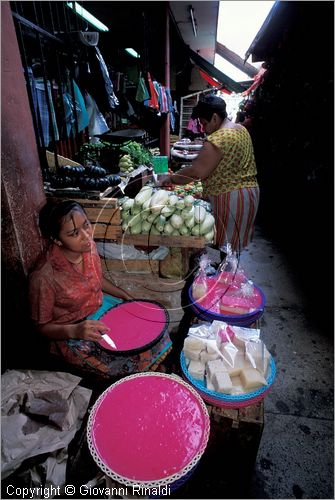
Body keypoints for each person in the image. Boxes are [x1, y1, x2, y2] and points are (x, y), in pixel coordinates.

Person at [29, 200, 171, 379]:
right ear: (56, 240)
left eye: (86, 225)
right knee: (128, 360)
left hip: (102, 308)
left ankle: (153, 374)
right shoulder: (44, 277)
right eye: (74, 233)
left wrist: (123, 295)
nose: (86, 235)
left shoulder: (88, 247)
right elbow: (41, 327)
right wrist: (75, 330)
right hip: (73, 329)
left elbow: (96, 279)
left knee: (150, 331)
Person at [161, 94, 259, 253]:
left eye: (203, 123)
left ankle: (226, 275)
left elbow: (195, 172)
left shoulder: (219, 138)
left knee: (228, 248)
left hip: (231, 197)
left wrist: (171, 178)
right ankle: (226, 273)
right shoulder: (240, 129)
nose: (202, 128)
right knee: (233, 247)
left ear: (214, 118)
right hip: (248, 194)